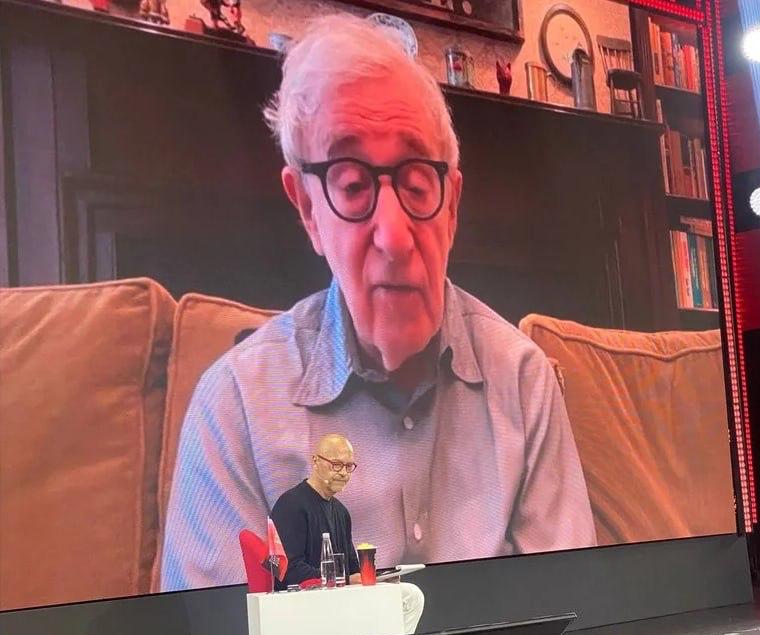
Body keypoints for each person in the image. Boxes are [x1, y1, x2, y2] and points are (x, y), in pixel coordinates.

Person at [160, 13, 596, 593]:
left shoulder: (524, 383)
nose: (393, 236)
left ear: (452, 206)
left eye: (417, 184)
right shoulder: (234, 409)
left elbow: (572, 616)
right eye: (351, 185)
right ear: (308, 210)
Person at [272, 433, 424, 634]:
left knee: (409, 595)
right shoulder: (290, 505)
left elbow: (352, 568)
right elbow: (289, 571)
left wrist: (377, 579)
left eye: (349, 466)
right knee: (409, 596)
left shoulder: (341, 511)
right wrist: (344, 580)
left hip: (339, 595)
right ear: (315, 461)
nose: (343, 473)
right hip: (305, 600)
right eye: (336, 465)